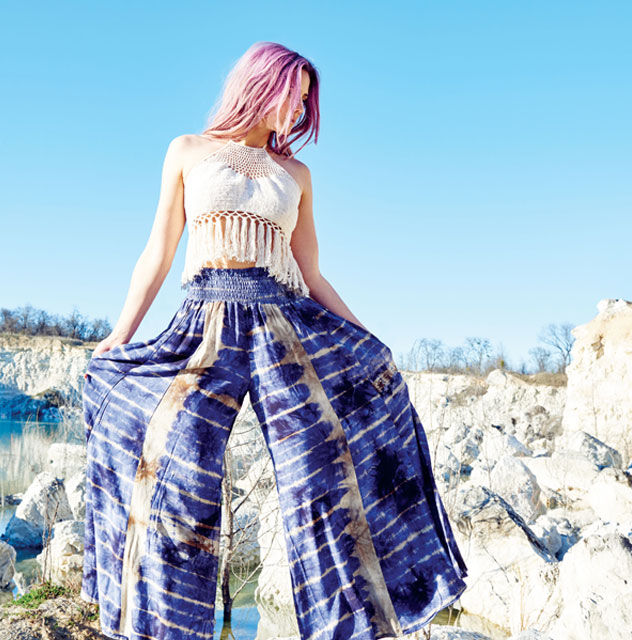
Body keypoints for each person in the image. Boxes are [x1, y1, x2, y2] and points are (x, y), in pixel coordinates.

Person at [80, 40, 468, 640]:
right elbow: (157, 253)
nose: (299, 111)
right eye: (295, 96)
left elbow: (311, 274)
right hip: (204, 322)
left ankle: (352, 626)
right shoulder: (189, 150)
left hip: (282, 327)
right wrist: (119, 334)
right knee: (174, 466)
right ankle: (162, 626)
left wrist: (368, 340)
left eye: (307, 102)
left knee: (322, 471)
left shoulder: (297, 175)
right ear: (261, 85)